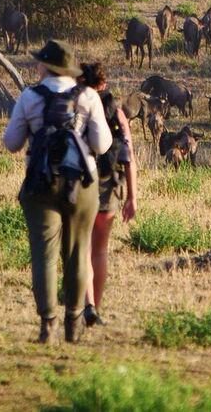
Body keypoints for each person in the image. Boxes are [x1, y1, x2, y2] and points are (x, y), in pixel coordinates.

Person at [2, 39, 112, 343]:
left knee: (44, 255)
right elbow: (103, 145)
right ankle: (73, 322)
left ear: (45, 66)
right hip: (81, 184)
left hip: (41, 183)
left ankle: (46, 324)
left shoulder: (29, 96)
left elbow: (11, 143)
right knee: (78, 253)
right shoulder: (88, 96)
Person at [78, 62, 138, 329]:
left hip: (80, 184)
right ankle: (95, 308)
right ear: (103, 84)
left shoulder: (75, 107)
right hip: (109, 186)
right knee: (100, 250)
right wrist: (132, 197)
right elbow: (128, 157)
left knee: (82, 249)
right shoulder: (117, 112)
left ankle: (87, 305)